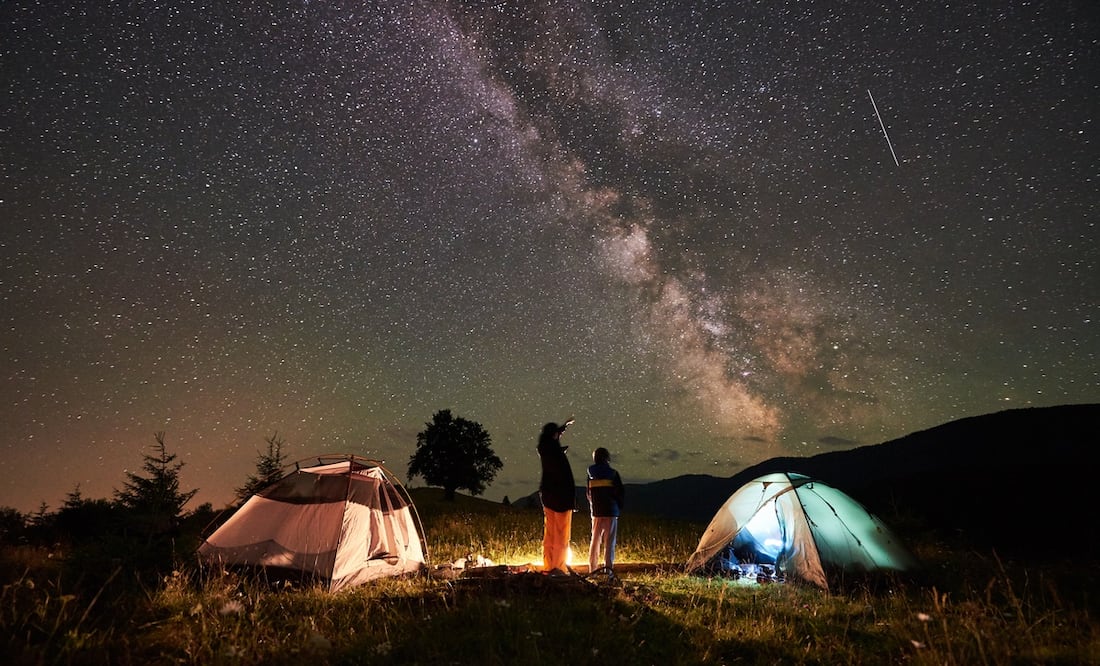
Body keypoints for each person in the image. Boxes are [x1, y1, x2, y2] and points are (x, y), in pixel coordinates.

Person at [537, 419, 575, 573]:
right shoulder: (555, 452)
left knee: (550, 533)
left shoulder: (544, 448)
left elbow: (552, 436)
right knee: (561, 535)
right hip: (561, 498)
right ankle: (558, 568)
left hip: (547, 496)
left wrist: (563, 427)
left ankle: (548, 565)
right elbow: (563, 476)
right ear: (554, 435)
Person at [587, 447, 624, 578]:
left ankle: (592, 571)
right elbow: (619, 493)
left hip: (596, 512)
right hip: (611, 511)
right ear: (607, 458)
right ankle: (608, 572)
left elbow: (589, 494)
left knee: (595, 541)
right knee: (610, 543)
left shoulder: (590, 472)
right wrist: (619, 507)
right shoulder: (613, 473)